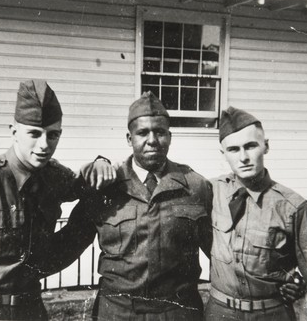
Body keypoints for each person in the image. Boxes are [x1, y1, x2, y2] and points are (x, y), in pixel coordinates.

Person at [0, 79, 116, 321]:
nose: (44, 145)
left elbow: (87, 185)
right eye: (34, 134)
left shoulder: (53, 176)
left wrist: (101, 162)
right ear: (14, 132)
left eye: (53, 135)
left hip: (32, 309)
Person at [70, 91, 213, 320]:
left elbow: (219, 251)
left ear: (170, 136)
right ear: (129, 139)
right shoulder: (105, 187)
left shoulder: (195, 186)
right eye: (143, 133)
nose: (152, 140)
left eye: (159, 132)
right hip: (118, 312)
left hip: (177, 312)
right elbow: (67, 245)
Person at [205, 106, 307, 321]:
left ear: (266, 146)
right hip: (219, 313)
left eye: (251, 146)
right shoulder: (209, 192)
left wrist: (292, 281)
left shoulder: (293, 207)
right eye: (233, 149)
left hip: (271, 313)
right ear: (223, 154)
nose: (243, 157)